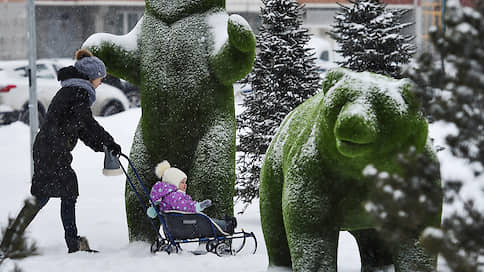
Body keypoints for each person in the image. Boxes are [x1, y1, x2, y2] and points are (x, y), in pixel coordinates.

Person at [0, 49, 122, 254]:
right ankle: (72, 244)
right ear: (91, 77)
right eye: (100, 78)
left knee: (42, 196)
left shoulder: (73, 92)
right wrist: (109, 142)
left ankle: (10, 241)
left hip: (48, 148)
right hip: (53, 149)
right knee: (65, 192)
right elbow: (87, 122)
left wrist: (103, 146)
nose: (101, 82)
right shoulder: (77, 93)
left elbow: (82, 129)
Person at [147, 161, 237, 234]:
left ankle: (223, 225)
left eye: (185, 182)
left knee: (206, 221)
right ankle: (226, 226)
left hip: (180, 224)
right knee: (205, 222)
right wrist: (198, 206)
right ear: (173, 182)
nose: (185, 185)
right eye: (182, 182)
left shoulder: (167, 196)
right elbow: (183, 205)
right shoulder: (173, 196)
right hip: (184, 225)